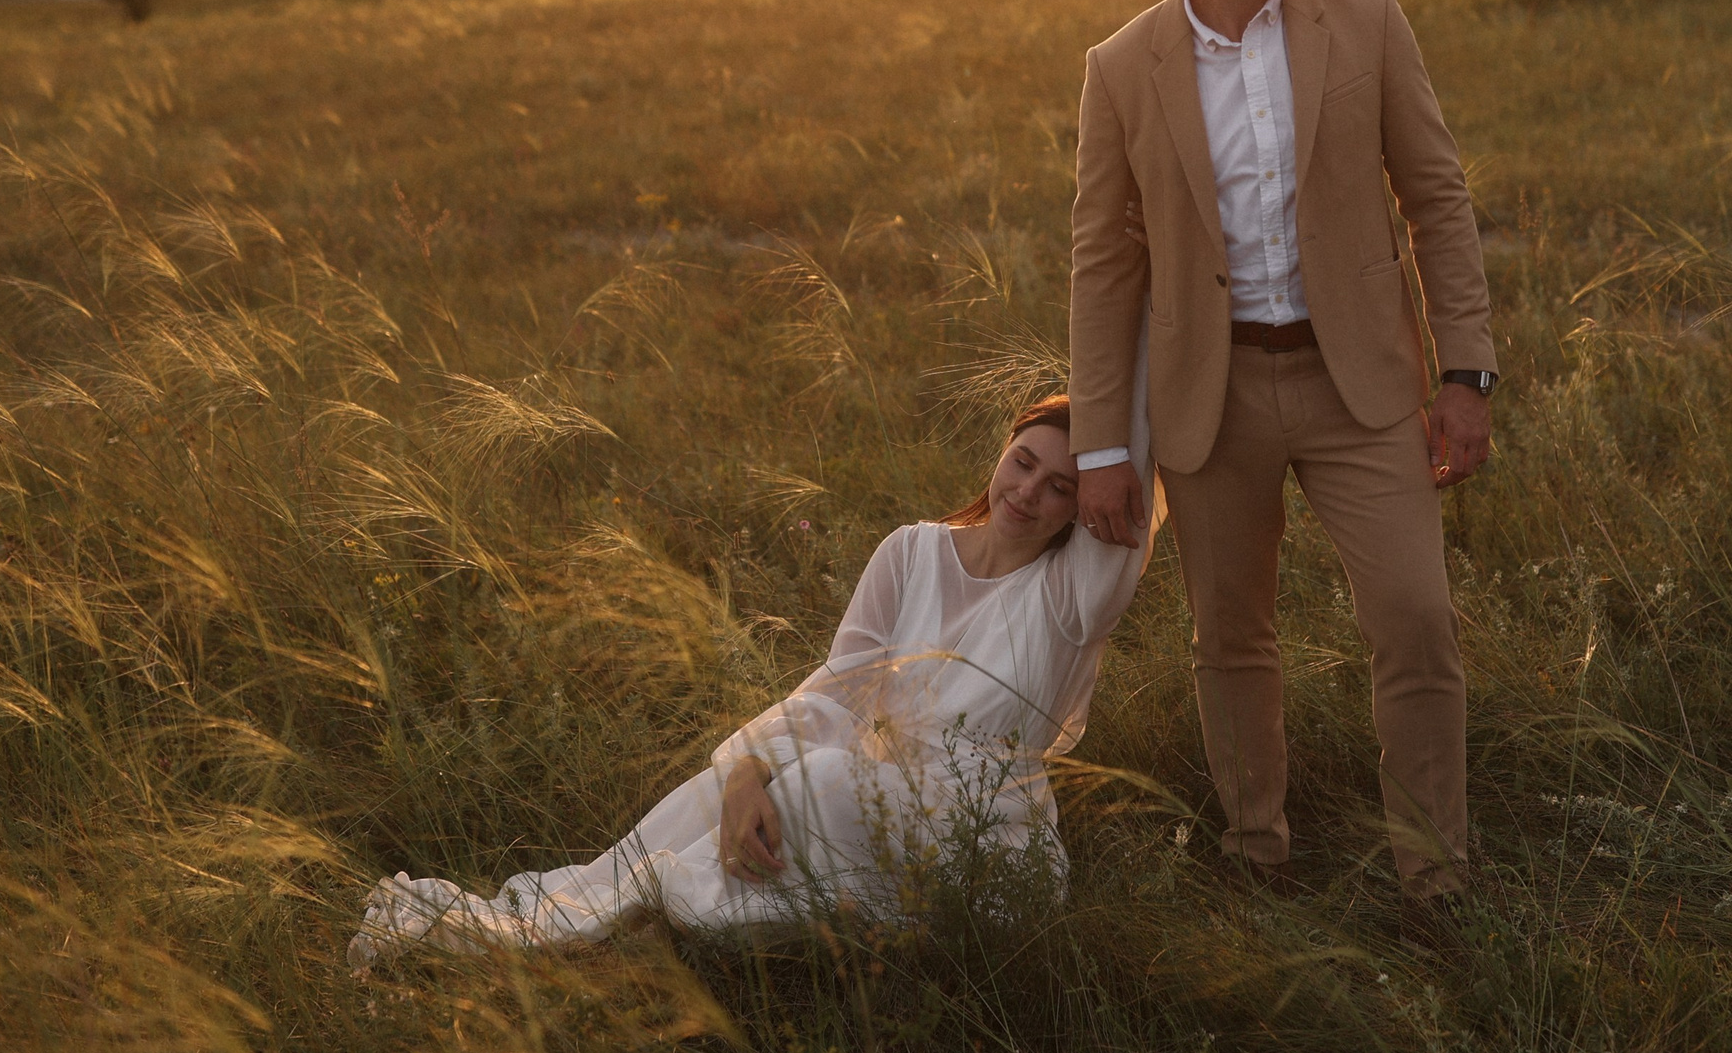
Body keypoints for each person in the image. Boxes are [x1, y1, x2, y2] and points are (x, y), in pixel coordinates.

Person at [346, 340, 1158, 968]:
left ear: (1087, 503)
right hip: (882, 792)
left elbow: (1144, 442)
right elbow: (836, 695)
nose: (1028, 492)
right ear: (1003, 450)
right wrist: (745, 770)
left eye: (1061, 486)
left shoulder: (1072, 599)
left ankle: (677, 905)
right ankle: (607, 915)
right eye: (1025, 462)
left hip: (984, 841)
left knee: (828, 780)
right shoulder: (911, 553)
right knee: (732, 781)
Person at [1067, 0, 1496, 904]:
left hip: (1360, 388)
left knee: (1415, 619)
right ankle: (1258, 860)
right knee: (1230, 640)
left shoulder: (1369, 20)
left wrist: (1465, 373)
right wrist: (1101, 445)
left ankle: (1434, 876)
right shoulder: (1120, 68)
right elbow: (1103, 266)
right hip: (1208, 401)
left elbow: (1437, 200)